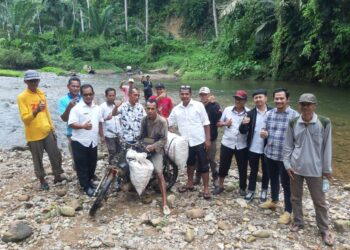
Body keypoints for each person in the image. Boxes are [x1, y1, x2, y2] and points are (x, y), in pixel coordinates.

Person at [283, 93, 334, 246]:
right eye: (303, 104)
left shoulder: (324, 122)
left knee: (319, 201)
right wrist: (287, 164)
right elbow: (287, 146)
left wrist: (327, 169)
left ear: (315, 106)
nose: (306, 107)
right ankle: (298, 222)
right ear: (299, 105)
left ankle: (324, 229)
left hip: (316, 170)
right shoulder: (293, 122)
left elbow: (327, 148)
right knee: (295, 198)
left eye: (309, 104)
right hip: (295, 168)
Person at [17, 70, 65, 190]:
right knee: (37, 159)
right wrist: (36, 110)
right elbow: (25, 119)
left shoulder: (41, 93)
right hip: (33, 134)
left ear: (38, 80)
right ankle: (42, 180)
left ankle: (57, 175)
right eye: (30, 81)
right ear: (25, 82)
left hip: (47, 130)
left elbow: (47, 113)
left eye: (35, 80)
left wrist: (52, 129)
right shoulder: (22, 97)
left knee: (55, 154)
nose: (33, 82)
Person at [259, 88, 298, 225]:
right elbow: (264, 128)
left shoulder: (294, 116)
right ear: (273, 99)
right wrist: (263, 132)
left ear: (287, 99)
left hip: (286, 158)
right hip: (270, 153)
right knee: (273, 178)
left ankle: (288, 211)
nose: (279, 101)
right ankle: (274, 201)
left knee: (287, 184)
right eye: (277, 98)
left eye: (282, 98)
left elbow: (298, 138)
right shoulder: (269, 114)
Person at [168, 85, 211, 200]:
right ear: (179, 95)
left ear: (190, 94)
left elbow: (206, 123)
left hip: (199, 141)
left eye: (186, 94)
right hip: (186, 142)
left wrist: (207, 140)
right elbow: (168, 123)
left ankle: (206, 189)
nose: (184, 96)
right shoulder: (176, 109)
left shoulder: (199, 105)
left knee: (204, 165)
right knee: (190, 163)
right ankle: (190, 183)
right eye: (182, 94)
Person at [68, 84, 103, 196]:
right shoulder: (76, 109)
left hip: (93, 141)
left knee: (92, 164)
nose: (88, 96)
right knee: (82, 166)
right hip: (79, 142)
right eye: (85, 94)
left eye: (90, 94)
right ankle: (86, 186)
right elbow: (72, 124)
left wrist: (102, 136)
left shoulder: (97, 108)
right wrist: (83, 126)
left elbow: (100, 122)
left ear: (93, 94)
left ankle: (89, 181)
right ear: (81, 95)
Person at [214, 90, 250, 196]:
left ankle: (242, 188)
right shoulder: (227, 110)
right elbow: (218, 123)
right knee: (223, 166)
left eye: (240, 99)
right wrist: (226, 123)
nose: (238, 101)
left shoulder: (249, 112)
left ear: (245, 100)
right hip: (227, 143)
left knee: (243, 167)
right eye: (236, 98)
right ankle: (220, 185)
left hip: (242, 145)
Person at [239, 89, 272, 202]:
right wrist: (244, 124)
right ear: (253, 100)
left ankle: (264, 190)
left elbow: (278, 130)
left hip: (268, 148)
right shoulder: (250, 113)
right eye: (256, 97)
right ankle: (251, 191)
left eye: (260, 97)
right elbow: (242, 131)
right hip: (253, 147)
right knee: (253, 170)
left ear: (266, 98)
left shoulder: (272, 112)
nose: (258, 99)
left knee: (266, 170)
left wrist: (268, 134)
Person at [139, 99, 171, 215]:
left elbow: (164, 140)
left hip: (158, 147)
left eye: (153, 108)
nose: (150, 111)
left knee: (159, 173)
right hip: (146, 145)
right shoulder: (144, 120)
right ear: (146, 109)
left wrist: (153, 146)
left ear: (157, 109)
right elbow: (142, 136)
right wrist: (142, 144)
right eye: (148, 108)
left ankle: (165, 203)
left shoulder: (162, 121)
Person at [194, 87, 222, 187]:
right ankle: (197, 177)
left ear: (209, 95)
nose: (204, 96)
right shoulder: (196, 106)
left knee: (211, 159)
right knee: (198, 159)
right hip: (198, 138)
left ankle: (215, 178)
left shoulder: (214, 105)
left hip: (212, 137)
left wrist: (215, 103)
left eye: (205, 94)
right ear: (199, 96)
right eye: (202, 94)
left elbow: (219, 118)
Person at [58, 76, 82, 171]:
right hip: (72, 133)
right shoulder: (63, 100)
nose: (75, 88)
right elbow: (64, 118)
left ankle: (90, 174)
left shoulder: (84, 97)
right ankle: (80, 176)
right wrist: (69, 107)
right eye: (73, 86)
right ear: (68, 86)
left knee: (87, 154)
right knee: (76, 156)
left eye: (77, 86)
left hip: (85, 131)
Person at [100, 88, 122, 164]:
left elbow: (121, 118)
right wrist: (102, 136)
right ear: (106, 96)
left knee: (120, 151)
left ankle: (118, 166)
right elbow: (99, 121)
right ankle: (111, 165)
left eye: (113, 95)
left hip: (119, 133)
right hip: (109, 134)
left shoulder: (118, 105)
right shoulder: (102, 107)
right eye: (110, 95)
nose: (112, 97)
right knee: (112, 151)